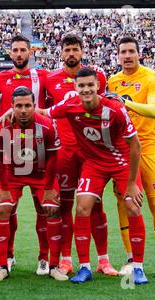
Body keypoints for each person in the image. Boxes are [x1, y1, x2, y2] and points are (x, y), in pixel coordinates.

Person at [48, 67, 148, 284]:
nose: (86, 90)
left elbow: (135, 145)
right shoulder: (69, 105)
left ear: (98, 86)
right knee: (82, 206)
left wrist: (131, 183)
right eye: (81, 86)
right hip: (94, 164)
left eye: (90, 85)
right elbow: (44, 112)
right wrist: (13, 112)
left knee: (132, 206)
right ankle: (85, 268)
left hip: (120, 162)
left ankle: (138, 267)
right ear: (75, 88)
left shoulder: (114, 109)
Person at [44, 33, 117, 276]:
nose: (71, 53)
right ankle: (66, 259)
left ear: (82, 51)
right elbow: (46, 112)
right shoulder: (50, 80)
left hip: (91, 153)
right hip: (64, 153)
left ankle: (103, 260)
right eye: (67, 50)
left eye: (75, 49)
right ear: (61, 53)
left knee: (95, 205)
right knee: (65, 206)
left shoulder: (97, 78)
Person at [108, 36, 155, 279]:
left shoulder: (151, 77)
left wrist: (124, 102)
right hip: (123, 150)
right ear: (118, 55)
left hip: (148, 148)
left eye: (131, 51)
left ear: (139, 53)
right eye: (123, 52)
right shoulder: (113, 81)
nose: (127, 56)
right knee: (124, 203)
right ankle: (131, 258)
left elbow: (154, 111)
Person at [0, 35, 51, 274]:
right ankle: (7, 257)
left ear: (30, 53)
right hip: (11, 153)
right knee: (6, 208)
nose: (18, 54)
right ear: (10, 52)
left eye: (23, 50)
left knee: (45, 209)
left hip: (38, 154)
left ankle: (44, 258)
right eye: (14, 50)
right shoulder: (0, 78)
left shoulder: (43, 76)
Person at [0, 86, 65, 282]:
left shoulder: (47, 125)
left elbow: (53, 157)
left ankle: (51, 263)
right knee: (3, 209)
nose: (23, 110)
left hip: (41, 174)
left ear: (34, 106)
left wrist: (49, 188)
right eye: (19, 106)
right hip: (13, 174)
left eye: (28, 105)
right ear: (12, 107)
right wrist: (4, 188)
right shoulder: (2, 126)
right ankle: (3, 265)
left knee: (51, 209)